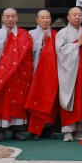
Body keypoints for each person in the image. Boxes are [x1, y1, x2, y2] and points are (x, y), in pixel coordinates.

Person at [0, 8, 33, 142]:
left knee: (17, 101)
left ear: (17, 18)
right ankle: (1, 130)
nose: (10, 19)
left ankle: (17, 130)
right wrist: (6, 41)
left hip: (18, 74)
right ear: (3, 19)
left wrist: (14, 41)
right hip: (1, 73)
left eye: (13, 16)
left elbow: (27, 49)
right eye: (7, 16)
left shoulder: (24, 33)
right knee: (1, 101)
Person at [55, 7, 82, 142]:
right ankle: (68, 131)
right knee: (69, 99)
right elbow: (60, 51)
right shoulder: (62, 33)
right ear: (68, 17)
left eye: (79, 15)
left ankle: (79, 130)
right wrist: (76, 45)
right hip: (69, 71)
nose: (77, 17)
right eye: (74, 15)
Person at [25, 10, 58, 140]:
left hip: (51, 71)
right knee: (36, 98)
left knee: (49, 100)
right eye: (42, 18)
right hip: (36, 71)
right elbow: (27, 52)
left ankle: (47, 128)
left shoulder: (55, 34)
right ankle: (34, 130)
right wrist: (41, 42)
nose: (45, 20)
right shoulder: (30, 34)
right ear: (37, 20)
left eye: (47, 18)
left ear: (50, 20)